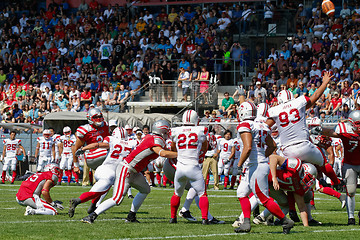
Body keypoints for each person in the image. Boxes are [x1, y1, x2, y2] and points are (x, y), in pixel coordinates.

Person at [80, 120, 177, 224]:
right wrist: (180, 155)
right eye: (167, 131)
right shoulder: (155, 139)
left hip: (134, 170)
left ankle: (131, 216)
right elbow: (162, 153)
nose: (169, 133)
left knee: (145, 189)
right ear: (162, 131)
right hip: (127, 168)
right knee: (117, 199)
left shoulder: (153, 138)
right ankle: (91, 216)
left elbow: (168, 150)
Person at [266, 72, 341, 186]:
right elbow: (316, 95)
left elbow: (265, 126)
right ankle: (337, 183)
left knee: (291, 180)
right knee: (323, 163)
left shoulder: (275, 110)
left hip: (288, 151)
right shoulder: (298, 103)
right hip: (305, 147)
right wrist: (325, 82)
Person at [235, 101, 294, 234]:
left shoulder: (246, 125)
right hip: (257, 164)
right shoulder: (261, 125)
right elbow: (272, 146)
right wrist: (262, 156)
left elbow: (248, 147)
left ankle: (285, 220)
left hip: (255, 166)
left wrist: (239, 165)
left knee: (263, 199)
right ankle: (246, 222)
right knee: (241, 193)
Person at [69, 127, 136, 218]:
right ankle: (77, 201)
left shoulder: (111, 140)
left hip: (103, 169)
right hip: (110, 172)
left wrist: (84, 148)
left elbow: (97, 145)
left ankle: (92, 206)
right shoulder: (131, 143)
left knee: (103, 189)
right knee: (99, 191)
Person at [312, 110, 360, 225]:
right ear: (351, 123)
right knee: (351, 191)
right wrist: (320, 130)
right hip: (349, 164)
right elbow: (331, 132)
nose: (359, 126)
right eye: (357, 123)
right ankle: (351, 218)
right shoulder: (345, 129)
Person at [169, 110, 211, 224]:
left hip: (180, 167)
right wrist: (199, 155)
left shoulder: (175, 131)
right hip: (193, 166)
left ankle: (173, 218)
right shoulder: (200, 130)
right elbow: (205, 146)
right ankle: (205, 218)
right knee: (202, 193)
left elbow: (173, 148)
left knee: (177, 193)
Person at [72, 108, 110, 186]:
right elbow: (75, 148)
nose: (99, 119)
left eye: (100, 117)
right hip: (91, 156)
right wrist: (76, 165)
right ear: (90, 118)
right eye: (96, 117)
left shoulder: (105, 126)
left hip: (102, 155)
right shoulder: (85, 130)